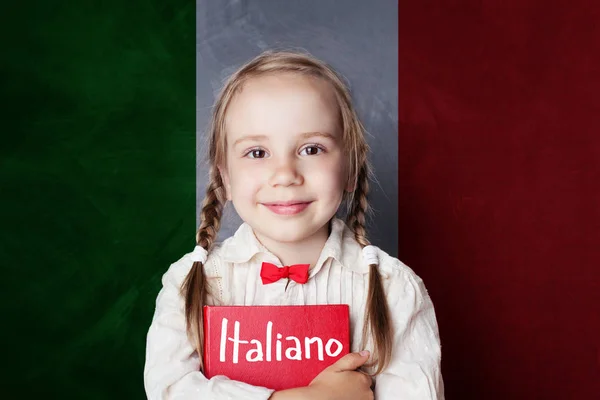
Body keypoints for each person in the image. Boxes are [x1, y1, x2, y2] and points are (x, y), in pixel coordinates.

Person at [144, 50, 444, 400]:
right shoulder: (189, 284)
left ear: (349, 168)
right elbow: (170, 390)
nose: (285, 175)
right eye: (257, 152)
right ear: (223, 176)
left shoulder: (395, 289)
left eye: (312, 149)